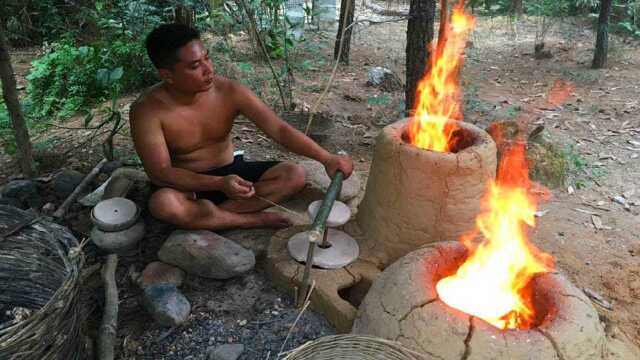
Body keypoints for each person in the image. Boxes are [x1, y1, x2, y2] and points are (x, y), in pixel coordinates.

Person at [129, 24, 353, 230]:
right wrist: (218, 183)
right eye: (195, 66)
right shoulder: (147, 110)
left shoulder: (229, 91)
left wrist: (326, 158)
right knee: (164, 204)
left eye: (207, 58)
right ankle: (247, 220)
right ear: (167, 75)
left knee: (294, 175)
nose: (208, 69)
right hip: (188, 183)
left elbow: (279, 129)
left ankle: (211, 218)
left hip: (234, 174)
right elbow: (160, 173)